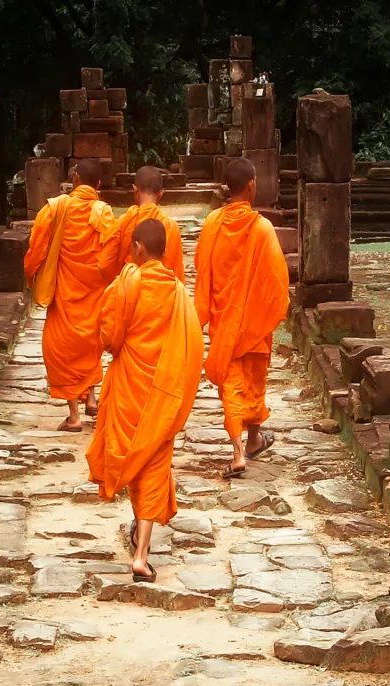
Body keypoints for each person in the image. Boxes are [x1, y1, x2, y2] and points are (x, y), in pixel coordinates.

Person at [86, 218, 204, 582]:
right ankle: (141, 553)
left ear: (137, 247)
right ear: (164, 251)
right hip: (163, 391)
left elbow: (108, 337)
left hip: (127, 387)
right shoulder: (177, 292)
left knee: (131, 456)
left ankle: (140, 538)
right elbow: (193, 345)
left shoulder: (125, 284)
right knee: (154, 462)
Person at [193, 157, 289, 478]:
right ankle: (245, 446)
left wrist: (200, 316)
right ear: (251, 186)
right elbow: (278, 280)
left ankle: (245, 447)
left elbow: (202, 273)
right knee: (253, 381)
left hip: (225, 321)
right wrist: (268, 309)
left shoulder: (212, 224)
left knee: (234, 385)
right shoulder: (262, 228)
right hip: (254, 322)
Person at [24, 158, 117, 431]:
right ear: (98, 185)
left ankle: (74, 416)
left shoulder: (54, 209)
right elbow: (111, 256)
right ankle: (91, 398)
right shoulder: (105, 214)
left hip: (65, 293)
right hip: (94, 293)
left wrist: (31, 277)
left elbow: (35, 251)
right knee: (90, 345)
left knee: (62, 350)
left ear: (75, 180)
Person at [101, 165, 185, 284]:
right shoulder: (171, 226)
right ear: (161, 193)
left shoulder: (123, 222)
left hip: (128, 292)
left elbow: (105, 265)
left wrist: (119, 285)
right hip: (161, 295)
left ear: (135, 189)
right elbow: (176, 273)